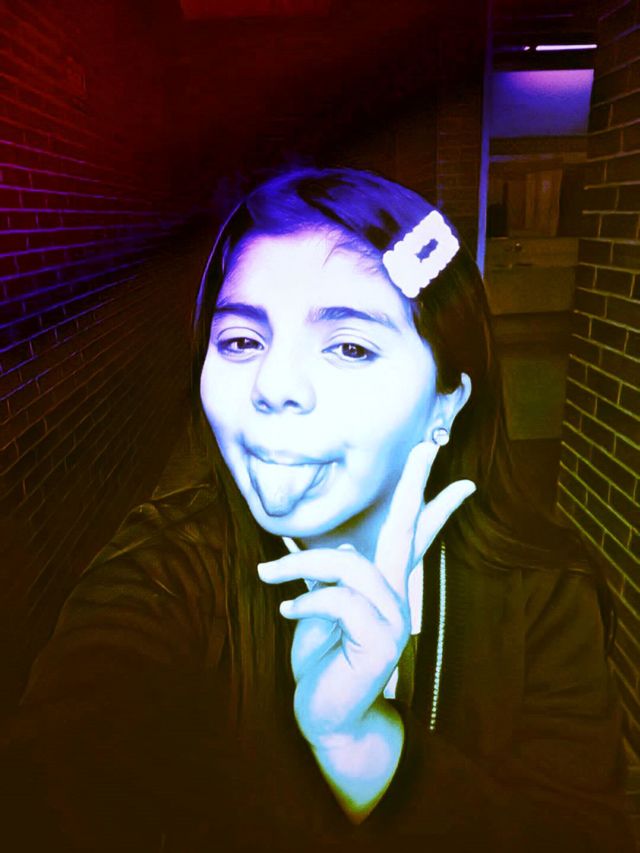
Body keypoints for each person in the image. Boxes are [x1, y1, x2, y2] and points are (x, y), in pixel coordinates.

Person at [2, 167, 634, 852]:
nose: (272, 386)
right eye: (241, 341)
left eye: (350, 347)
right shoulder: (163, 570)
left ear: (446, 401)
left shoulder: (546, 591)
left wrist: (364, 749)